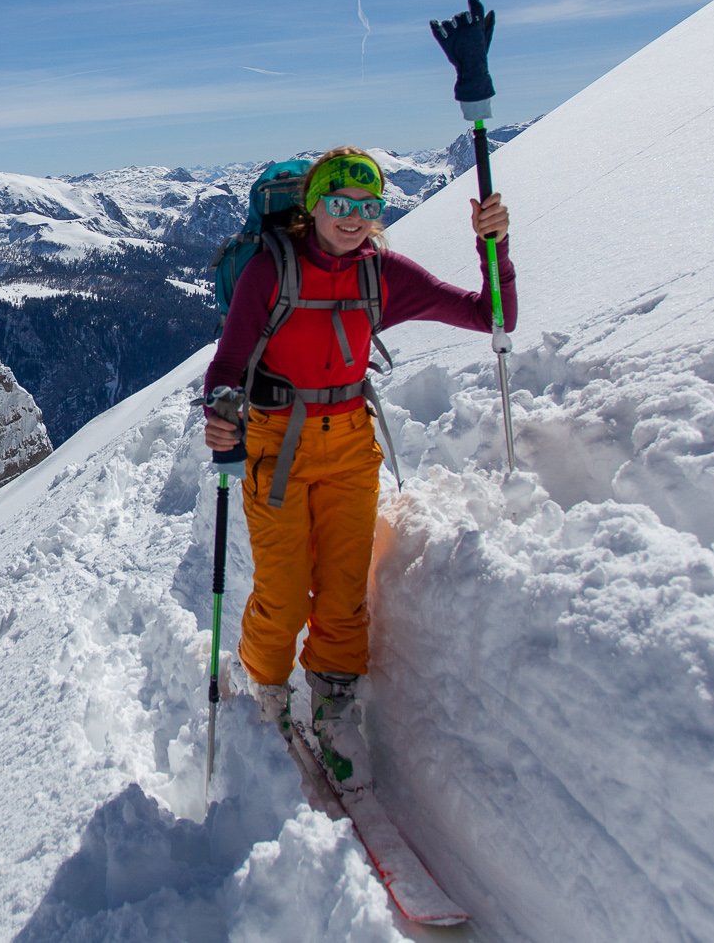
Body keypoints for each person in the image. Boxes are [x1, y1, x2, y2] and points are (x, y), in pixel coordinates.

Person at [202, 147, 514, 782]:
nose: (351, 218)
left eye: (366, 207)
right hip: (275, 441)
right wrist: (221, 408)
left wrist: (496, 248)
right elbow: (229, 362)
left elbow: (492, 316)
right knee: (284, 595)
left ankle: (334, 699)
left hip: (348, 440)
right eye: (339, 204)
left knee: (343, 591)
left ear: (377, 214)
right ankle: (265, 683)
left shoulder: (382, 273)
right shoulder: (269, 271)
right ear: (313, 206)